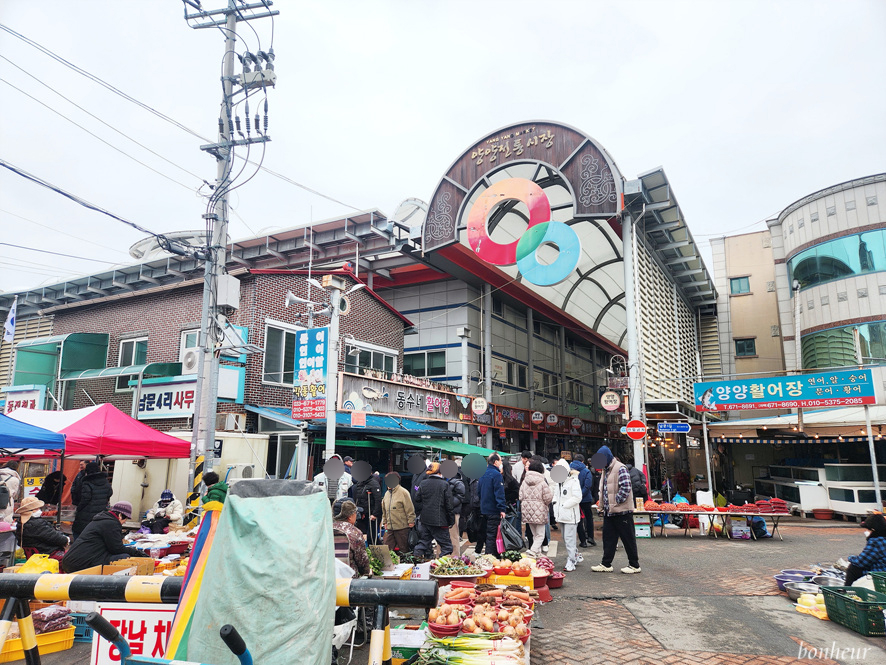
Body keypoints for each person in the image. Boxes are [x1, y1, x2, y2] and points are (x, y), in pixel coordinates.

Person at [591, 445, 641, 574]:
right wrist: (602, 506)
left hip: (622, 511)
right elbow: (603, 490)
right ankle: (606, 564)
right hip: (610, 511)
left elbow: (626, 488)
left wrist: (616, 501)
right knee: (608, 539)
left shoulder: (620, 468)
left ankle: (634, 565)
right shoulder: (605, 470)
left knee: (628, 538)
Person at [61, 501, 149, 573]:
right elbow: (116, 549)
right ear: (120, 515)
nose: (124, 522)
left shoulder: (102, 520)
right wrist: (136, 553)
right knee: (124, 557)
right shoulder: (111, 523)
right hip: (79, 564)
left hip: (71, 561)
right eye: (125, 519)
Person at [413, 463, 454, 558]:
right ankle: (440, 566)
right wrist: (451, 521)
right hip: (440, 521)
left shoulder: (423, 483)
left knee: (423, 543)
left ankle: (416, 560)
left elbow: (417, 498)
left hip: (425, 519)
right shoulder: (444, 484)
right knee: (447, 547)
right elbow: (449, 505)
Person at [552, 458, 583, 571]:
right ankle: (575, 555)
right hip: (561, 515)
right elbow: (555, 495)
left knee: (569, 538)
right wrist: (555, 503)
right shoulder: (558, 483)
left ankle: (571, 560)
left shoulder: (574, 481)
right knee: (566, 538)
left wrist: (564, 505)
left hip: (570, 515)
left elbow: (577, 497)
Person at [72, 462, 114, 540]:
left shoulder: (87, 482)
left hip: (86, 513)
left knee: (79, 533)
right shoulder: (105, 481)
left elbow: (86, 498)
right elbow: (110, 493)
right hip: (101, 512)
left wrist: (79, 508)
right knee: (95, 534)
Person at [519, 460, 552, 556]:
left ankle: (538, 554)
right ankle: (533, 551)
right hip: (539, 511)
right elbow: (548, 497)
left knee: (534, 534)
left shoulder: (525, 481)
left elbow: (520, 496)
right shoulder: (542, 482)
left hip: (527, 511)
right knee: (540, 535)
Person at [331, 499, 371, 578]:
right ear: (350, 516)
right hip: (348, 581)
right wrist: (367, 573)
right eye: (355, 513)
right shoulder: (354, 533)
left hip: (328, 579)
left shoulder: (326, 529)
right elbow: (363, 563)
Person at [477, 453, 507, 556]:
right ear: (495, 462)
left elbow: (478, 492)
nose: (501, 463)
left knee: (487, 534)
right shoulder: (496, 475)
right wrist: (502, 509)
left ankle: (492, 555)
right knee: (492, 535)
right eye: (500, 460)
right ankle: (490, 557)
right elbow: (499, 493)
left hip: (484, 509)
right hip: (493, 510)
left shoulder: (482, 473)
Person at [844, 513, 886, 585]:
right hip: (882, 569)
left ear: (873, 530)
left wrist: (850, 558)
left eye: (867, 529)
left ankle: (846, 591)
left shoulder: (876, 542)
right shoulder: (883, 538)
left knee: (852, 568)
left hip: (879, 574)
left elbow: (861, 562)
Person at [380, 471, 415, 553]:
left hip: (402, 527)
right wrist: (384, 522)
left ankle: (406, 564)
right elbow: (384, 509)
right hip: (389, 528)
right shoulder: (387, 494)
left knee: (404, 550)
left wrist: (411, 521)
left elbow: (409, 508)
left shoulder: (404, 492)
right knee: (387, 549)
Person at [570, 454, 596, 547]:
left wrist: (576, 495)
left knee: (578, 519)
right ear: (582, 461)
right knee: (589, 518)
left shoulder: (570, 470)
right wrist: (581, 494)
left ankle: (583, 541)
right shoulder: (586, 471)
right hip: (586, 498)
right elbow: (588, 485)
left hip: (574, 499)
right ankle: (590, 538)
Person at [353, 471, 382, 544]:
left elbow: (378, 500)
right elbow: (358, 498)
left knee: (372, 536)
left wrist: (375, 514)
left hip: (372, 512)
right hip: (364, 512)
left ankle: (377, 552)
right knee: (360, 535)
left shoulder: (374, 484)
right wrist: (360, 512)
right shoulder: (360, 483)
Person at [446, 467, 466, 557]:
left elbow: (460, 496)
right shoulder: (445, 480)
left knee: (453, 535)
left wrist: (449, 504)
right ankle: (444, 555)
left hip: (453, 512)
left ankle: (455, 556)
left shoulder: (457, 482)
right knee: (444, 535)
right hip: (445, 511)